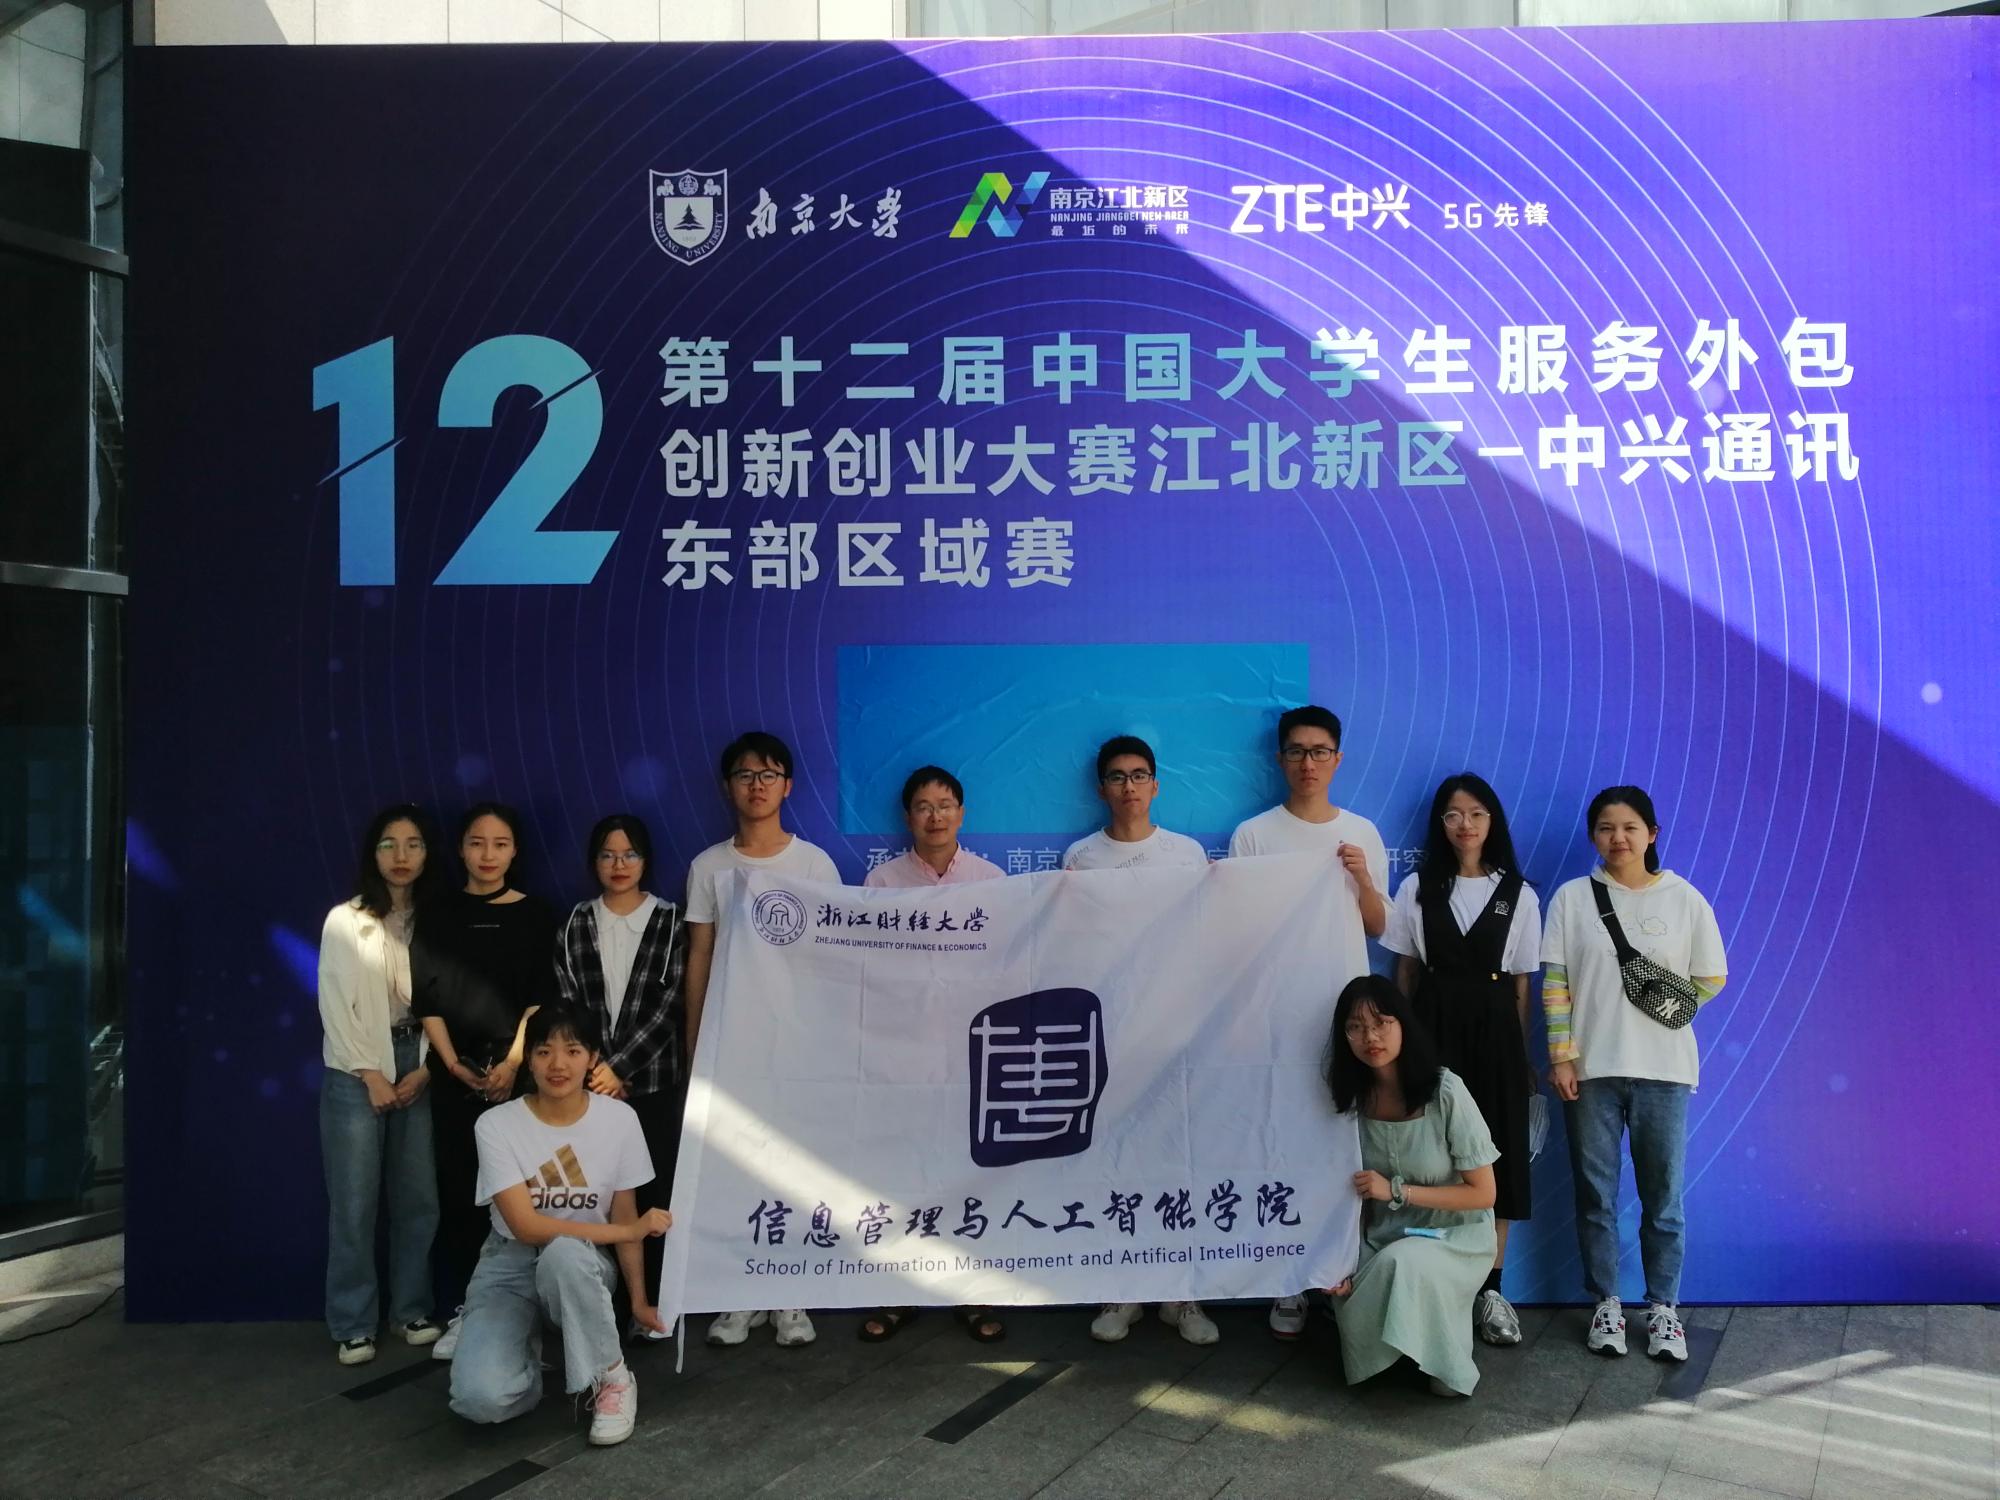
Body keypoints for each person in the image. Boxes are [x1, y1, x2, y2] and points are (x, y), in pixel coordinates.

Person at [1542, 786, 1726, 1363]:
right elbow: (1555, 984)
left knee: (1662, 1199)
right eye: (1605, 828)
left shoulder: (1684, 898)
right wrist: (1562, 1057)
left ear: (1652, 833)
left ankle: (1664, 1308)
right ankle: (1607, 1303)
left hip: (1664, 1071)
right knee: (1595, 1196)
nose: (1617, 838)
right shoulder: (1572, 898)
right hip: (1592, 1070)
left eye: (1629, 827)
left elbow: (1712, 975)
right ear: (1593, 836)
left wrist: (1670, 1007)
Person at [1229, 704, 1388, 1340]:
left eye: (1320, 751)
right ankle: (1288, 1282)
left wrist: (1362, 879)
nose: (1307, 763)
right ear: (1280, 759)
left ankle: (1339, 1274)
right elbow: (1238, 930)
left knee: (1343, 1144)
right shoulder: (1254, 836)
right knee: (1280, 1139)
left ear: (1337, 759)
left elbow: (1379, 925)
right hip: (1276, 1014)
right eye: (1296, 751)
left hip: (1347, 1018)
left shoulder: (1361, 833)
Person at [447, 1005, 669, 1447]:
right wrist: (628, 1232)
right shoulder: (496, 1124)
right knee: (480, 1400)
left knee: (566, 1252)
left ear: (593, 1058)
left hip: (581, 1265)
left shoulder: (619, 1119)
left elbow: (624, 1213)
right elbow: (527, 1228)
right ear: (528, 1060)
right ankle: (537, 1353)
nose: (558, 1064)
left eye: (572, 1050)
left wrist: (640, 1303)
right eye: (544, 1051)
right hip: (509, 1262)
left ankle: (613, 1378)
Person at [684, 731, 841, 1350]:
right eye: (746, 775)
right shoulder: (708, 866)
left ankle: (790, 1294)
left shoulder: (814, 864)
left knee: (795, 1166)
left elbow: (833, 961)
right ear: (729, 787)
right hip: (732, 1043)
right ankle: (740, 1293)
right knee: (736, 1165)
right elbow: (699, 956)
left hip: (798, 1043)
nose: (757, 785)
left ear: (788, 786)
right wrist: (695, 1040)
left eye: (769, 774)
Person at [1064, 736, 1217, 1348]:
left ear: (1156, 785)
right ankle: (1121, 1289)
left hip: (1176, 1028)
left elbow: (1207, 936)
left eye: (1139, 775)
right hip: (1111, 1030)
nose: (1128, 786)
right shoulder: (1081, 858)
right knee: (1116, 1156)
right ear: (1101, 788)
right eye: (1117, 777)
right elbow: (1071, 943)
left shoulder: (1186, 854)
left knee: (1180, 1157)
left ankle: (1182, 1293)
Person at [1382, 773, 1541, 1347]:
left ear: (1491, 820)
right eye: (1453, 815)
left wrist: (1520, 1055)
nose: (1464, 824)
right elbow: (1404, 973)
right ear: (1440, 824)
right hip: (1432, 1028)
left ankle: (1491, 1291)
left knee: (1499, 1155)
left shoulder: (1520, 894)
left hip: (1496, 1034)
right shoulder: (1416, 888)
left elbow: (1521, 985)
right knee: (1434, 1151)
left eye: (1476, 813)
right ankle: (1438, 1284)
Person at [859, 765, 1006, 1344]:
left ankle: (972, 1292)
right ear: (908, 817)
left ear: (961, 814)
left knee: (969, 1169)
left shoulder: (992, 879)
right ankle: (900, 1290)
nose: (935, 816)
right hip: (905, 1052)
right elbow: (868, 966)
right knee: (906, 1168)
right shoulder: (882, 881)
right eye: (923, 806)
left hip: (974, 1052)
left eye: (945, 805)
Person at [411, 801, 558, 1357]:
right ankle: (467, 1311)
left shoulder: (537, 914)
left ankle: (525, 1316)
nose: (488, 855)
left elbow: (540, 999)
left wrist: (514, 1063)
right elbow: (426, 996)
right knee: (459, 1193)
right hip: (456, 1074)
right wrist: (451, 1064)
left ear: (515, 850)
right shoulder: (438, 913)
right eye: (477, 843)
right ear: (461, 849)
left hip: (518, 1074)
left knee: (522, 1196)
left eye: (499, 844)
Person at [1324, 975, 1498, 1398]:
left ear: (1403, 1024)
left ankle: (1441, 1352)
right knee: (1355, 1279)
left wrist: (1397, 1191)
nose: (1371, 1037)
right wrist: (1338, 1259)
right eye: (1356, 1027)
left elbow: (1483, 1193)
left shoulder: (1445, 1091)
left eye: (1381, 1023)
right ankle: (1409, 1341)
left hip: (1453, 1236)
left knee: (1405, 1263)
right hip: (1382, 1236)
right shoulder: (1349, 1101)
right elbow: (1346, 1196)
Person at [317, 804, 445, 1365]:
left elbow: (449, 1000)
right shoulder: (345, 920)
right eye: (389, 844)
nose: (401, 856)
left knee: (418, 1200)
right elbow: (333, 1005)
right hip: (355, 1070)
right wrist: (370, 1073)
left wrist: (427, 1069)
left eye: (413, 844)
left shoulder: (438, 918)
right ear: (373, 853)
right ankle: (353, 1323)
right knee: (354, 1203)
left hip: (420, 1060)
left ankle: (410, 1309)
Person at [553, 813, 688, 1344]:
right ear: (594, 862)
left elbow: (672, 1003)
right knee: (597, 1196)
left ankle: (652, 1303)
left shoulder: (671, 921)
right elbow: (568, 1000)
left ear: (645, 860)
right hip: (591, 1089)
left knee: (653, 1194)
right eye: (608, 855)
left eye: (629, 854)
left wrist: (621, 1069)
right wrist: (596, 1070)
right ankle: (601, 1306)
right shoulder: (576, 922)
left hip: (652, 1085)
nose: (619, 865)